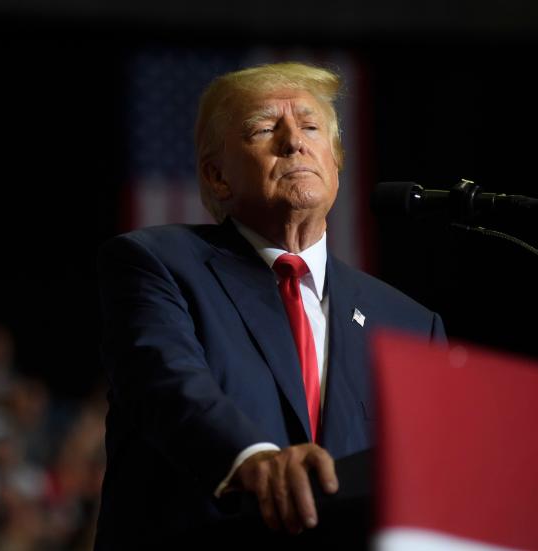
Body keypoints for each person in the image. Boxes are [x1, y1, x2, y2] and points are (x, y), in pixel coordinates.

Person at [95, 62, 446, 548]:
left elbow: (427, 477)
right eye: (264, 128)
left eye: (310, 126)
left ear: (336, 159)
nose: (293, 141)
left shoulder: (410, 324)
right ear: (217, 176)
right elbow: (168, 385)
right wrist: (253, 459)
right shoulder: (156, 264)